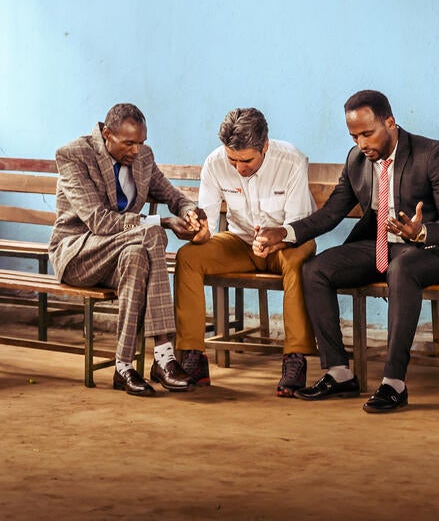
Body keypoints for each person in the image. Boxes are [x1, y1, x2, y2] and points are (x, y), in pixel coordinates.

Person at [255, 90, 439, 413]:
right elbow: (330, 213)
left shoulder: (433, 153)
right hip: (382, 247)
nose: (361, 143)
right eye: (354, 136)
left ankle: (393, 383)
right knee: (315, 269)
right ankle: (339, 373)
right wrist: (285, 233)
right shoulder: (357, 160)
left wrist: (421, 231)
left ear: (390, 122)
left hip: (433, 250)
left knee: (403, 269)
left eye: (367, 133)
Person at [49, 103, 205, 397]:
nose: (136, 150)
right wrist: (164, 222)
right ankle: (164, 356)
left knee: (136, 256)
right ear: (107, 134)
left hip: (122, 253)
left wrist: (188, 212)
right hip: (78, 253)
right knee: (151, 233)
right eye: (129, 143)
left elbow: (171, 194)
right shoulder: (74, 155)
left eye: (141, 142)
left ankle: (123, 367)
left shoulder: (143, 158)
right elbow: (98, 220)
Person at [174, 107, 319, 396]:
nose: (239, 168)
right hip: (239, 242)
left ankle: (295, 358)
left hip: (286, 242)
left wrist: (273, 239)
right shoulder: (214, 163)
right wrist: (199, 231)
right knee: (188, 257)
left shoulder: (291, 160)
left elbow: (297, 224)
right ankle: (193, 356)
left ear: (264, 145)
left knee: (300, 259)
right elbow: (209, 223)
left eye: (247, 160)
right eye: (233, 159)